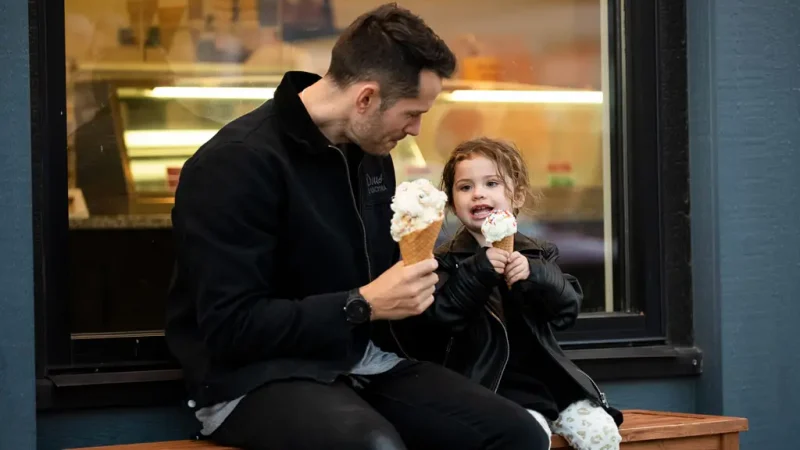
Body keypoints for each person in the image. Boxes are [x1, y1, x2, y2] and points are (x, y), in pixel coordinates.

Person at [166, 4, 552, 449]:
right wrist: (362, 303)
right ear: (366, 98)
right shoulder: (236, 163)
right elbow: (231, 327)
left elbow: (388, 284)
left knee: (518, 433)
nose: (416, 129)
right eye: (411, 113)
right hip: (249, 378)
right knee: (373, 446)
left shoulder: (372, 157)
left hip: (360, 361)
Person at [392, 137, 625, 450]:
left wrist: (536, 276)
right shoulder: (446, 260)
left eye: (491, 183)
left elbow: (566, 309)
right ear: (451, 203)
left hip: (550, 385)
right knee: (531, 434)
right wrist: (479, 269)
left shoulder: (538, 253)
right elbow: (442, 317)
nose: (478, 194)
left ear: (517, 195)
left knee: (601, 432)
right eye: (465, 187)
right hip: (489, 389)